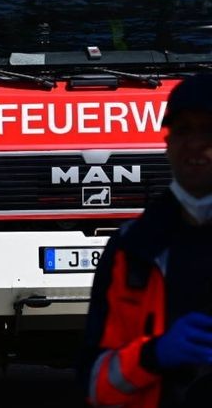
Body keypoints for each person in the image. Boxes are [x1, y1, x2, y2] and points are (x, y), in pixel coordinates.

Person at [80, 74, 212, 407]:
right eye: (182, 130)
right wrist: (152, 356)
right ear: (167, 144)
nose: (195, 143)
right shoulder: (132, 248)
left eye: (209, 130)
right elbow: (96, 386)